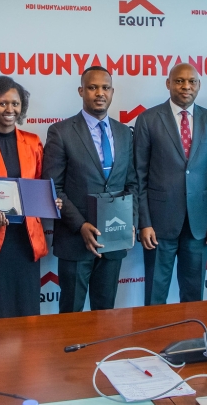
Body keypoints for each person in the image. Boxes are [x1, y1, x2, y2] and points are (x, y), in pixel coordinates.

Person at [0, 76, 62, 319]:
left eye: (15, 104)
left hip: (26, 243)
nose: (10, 109)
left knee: (28, 316)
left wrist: (50, 202)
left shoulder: (33, 142)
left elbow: (39, 187)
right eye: (3, 103)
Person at [42, 66, 137, 313]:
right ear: (81, 91)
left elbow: (132, 184)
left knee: (105, 314)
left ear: (112, 92)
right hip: (75, 241)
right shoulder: (61, 132)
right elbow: (53, 187)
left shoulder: (124, 132)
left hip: (114, 240)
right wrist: (81, 225)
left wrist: (131, 222)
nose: (99, 93)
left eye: (105, 88)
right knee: (71, 316)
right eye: (93, 87)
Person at [134, 63, 207, 305]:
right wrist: (144, 222)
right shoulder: (148, 119)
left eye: (192, 81)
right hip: (158, 225)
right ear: (168, 83)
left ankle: (192, 331)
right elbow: (139, 176)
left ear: (199, 85)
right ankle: (154, 331)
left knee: (193, 295)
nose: (186, 86)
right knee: (155, 295)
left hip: (199, 225)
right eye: (179, 81)